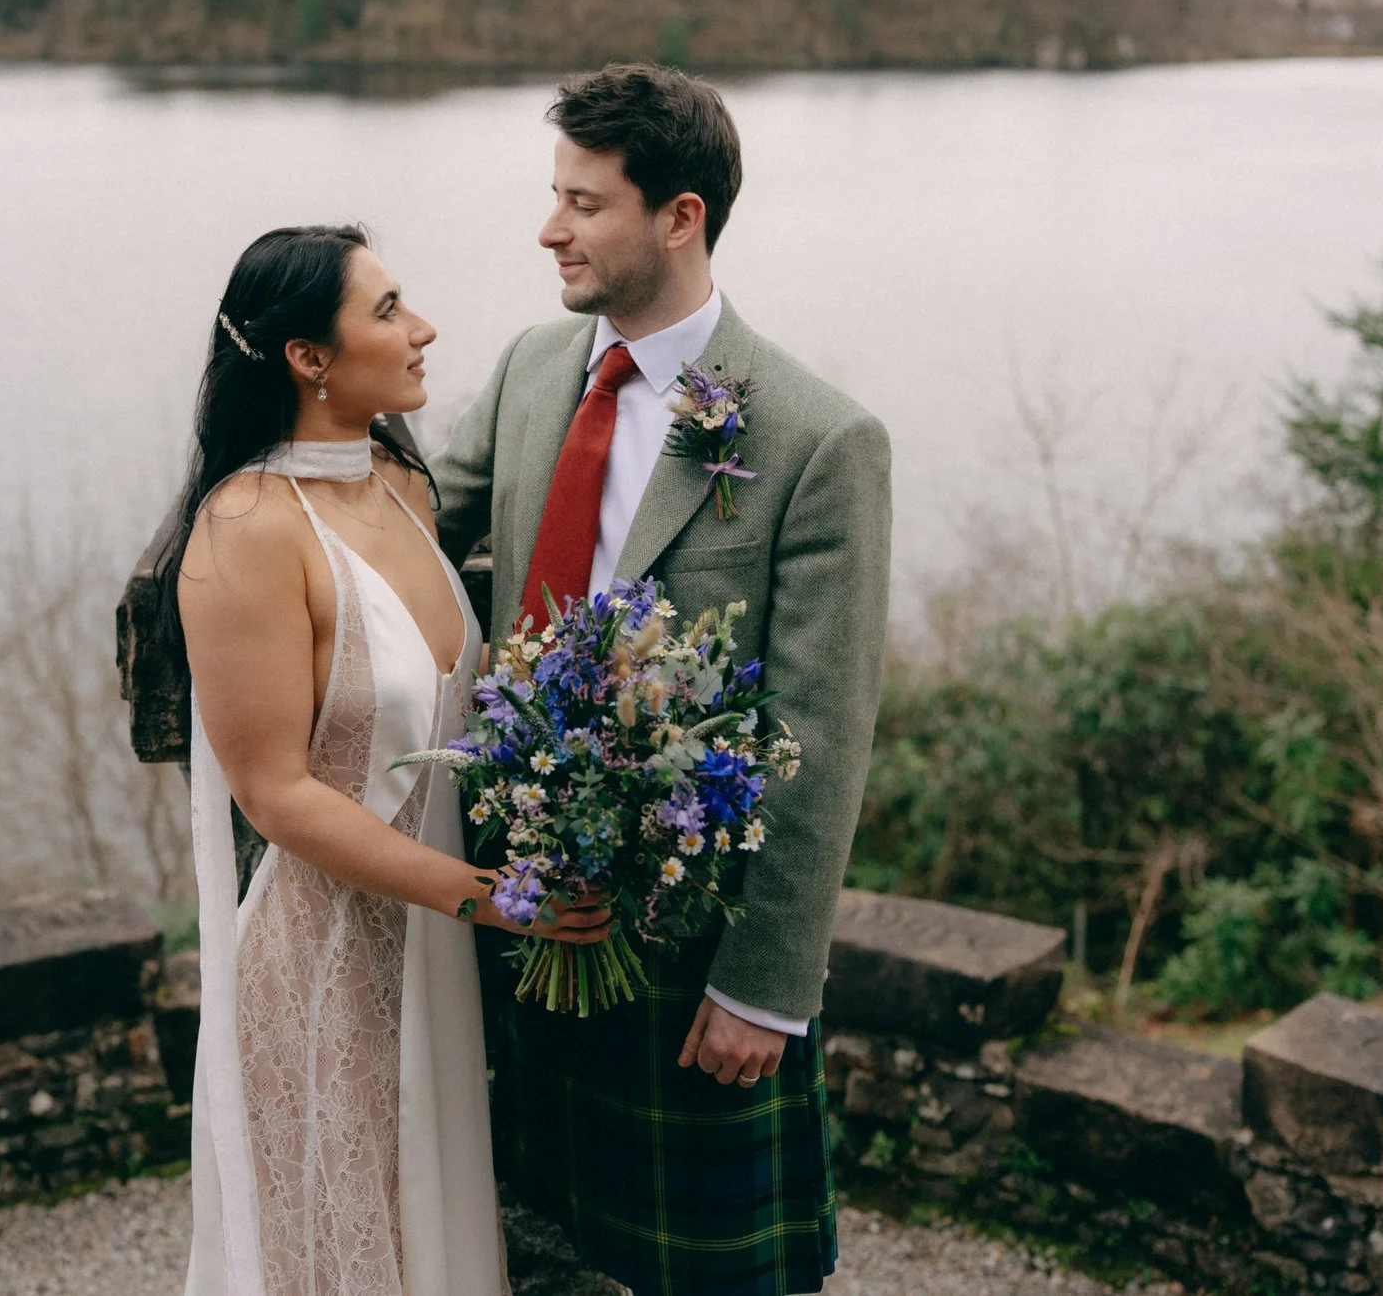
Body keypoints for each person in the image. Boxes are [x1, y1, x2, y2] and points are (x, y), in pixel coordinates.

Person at [431, 64, 892, 1296]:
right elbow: (408, 514)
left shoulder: (811, 437)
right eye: (552, 195)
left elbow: (823, 727)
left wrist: (766, 983)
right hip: (520, 892)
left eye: (584, 203)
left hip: (687, 940)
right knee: (532, 1234)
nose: (549, 228)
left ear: (678, 217)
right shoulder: (537, 366)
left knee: (704, 1272)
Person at [169, 224, 612, 1296]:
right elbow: (275, 792)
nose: (421, 330)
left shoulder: (402, 488)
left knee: (441, 1245)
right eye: (385, 310)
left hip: (437, 964)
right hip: (324, 967)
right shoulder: (244, 530)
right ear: (306, 359)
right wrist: (488, 896)